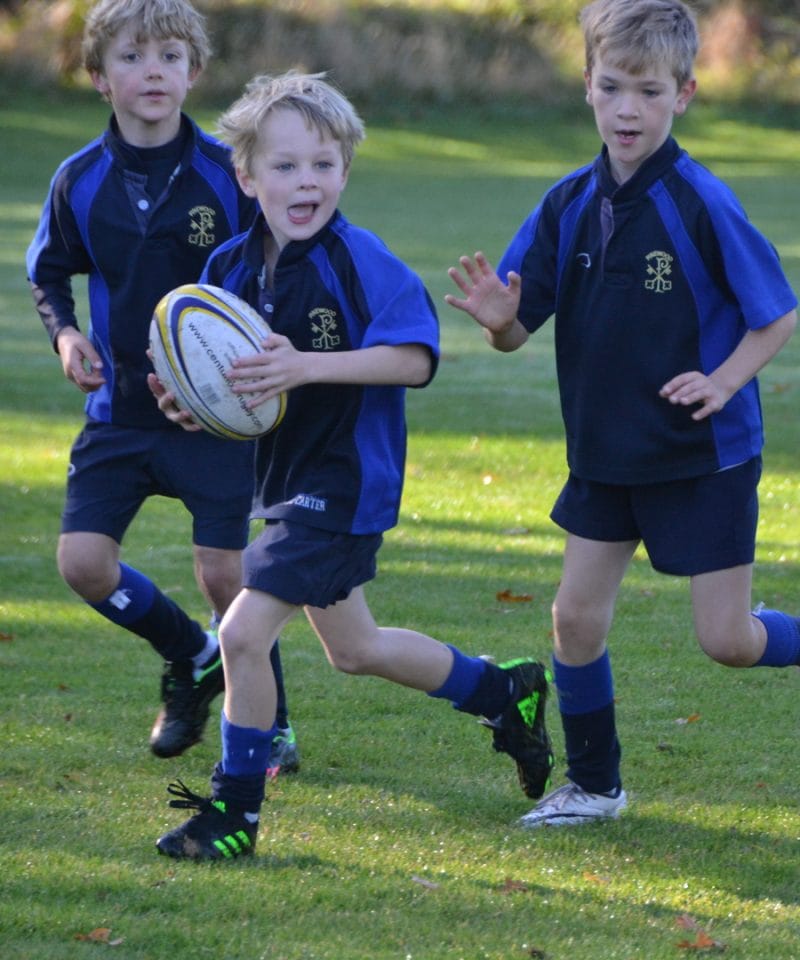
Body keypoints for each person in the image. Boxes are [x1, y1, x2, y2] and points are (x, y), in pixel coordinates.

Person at [153, 70, 553, 860]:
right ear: (246, 176)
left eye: (324, 165)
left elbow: (412, 359)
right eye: (286, 166)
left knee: (240, 634)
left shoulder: (359, 259)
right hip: (285, 484)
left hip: (342, 484)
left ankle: (236, 815)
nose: (307, 182)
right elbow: (223, 385)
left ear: (345, 171)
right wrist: (187, 405)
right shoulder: (227, 273)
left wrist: (305, 366)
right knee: (355, 650)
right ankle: (504, 692)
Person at [446, 0, 798, 828]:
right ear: (587, 88)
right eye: (613, 87)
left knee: (728, 641)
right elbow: (515, 330)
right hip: (605, 451)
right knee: (573, 620)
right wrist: (500, 321)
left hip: (701, 454)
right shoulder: (566, 202)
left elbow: (776, 313)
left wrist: (722, 381)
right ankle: (598, 786)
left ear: (685, 95)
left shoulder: (699, 201)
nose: (628, 108)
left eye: (649, 90)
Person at [25, 0, 298, 773]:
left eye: (170, 57)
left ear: (194, 73)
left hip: (215, 416)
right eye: (134, 57)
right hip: (119, 413)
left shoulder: (227, 174)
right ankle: (190, 657)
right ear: (99, 78)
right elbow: (49, 271)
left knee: (226, 576)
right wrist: (67, 333)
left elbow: (279, 261)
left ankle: (271, 725)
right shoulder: (78, 180)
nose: (154, 71)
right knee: (83, 563)